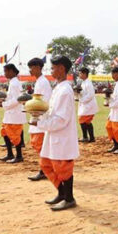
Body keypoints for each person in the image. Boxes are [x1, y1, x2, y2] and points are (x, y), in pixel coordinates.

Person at [30, 55, 78, 211]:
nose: (51, 70)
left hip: (62, 135)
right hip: (53, 134)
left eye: (53, 67)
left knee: (63, 168)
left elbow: (61, 119)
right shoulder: (58, 87)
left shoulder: (65, 90)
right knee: (46, 165)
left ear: (62, 68)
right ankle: (62, 193)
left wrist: (41, 123)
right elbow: (51, 112)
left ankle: (69, 198)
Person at [26, 57, 53, 182]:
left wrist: (36, 114)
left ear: (38, 67)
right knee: (38, 145)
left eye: (31, 68)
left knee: (40, 145)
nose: (30, 71)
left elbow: (45, 102)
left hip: (40, 117)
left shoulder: (43, 82)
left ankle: (45, 170)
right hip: (37, 116)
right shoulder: (39, 82)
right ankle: (45, 169)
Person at [0, 63, 26, 163]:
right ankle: (10, 154)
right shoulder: (13, 82)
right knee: (5, 131)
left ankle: (19, 156)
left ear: (12, 71)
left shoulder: (15, 83)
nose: (4, 73)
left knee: (14, 135)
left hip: (15, 113)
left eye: (6, 71)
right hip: (11, 113)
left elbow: (17, 100)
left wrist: (4, 104)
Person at [76, 67, 97, 144]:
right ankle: (91, 138)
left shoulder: (88, 83)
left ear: (85, 74)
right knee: (87, 121)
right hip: (85, 105)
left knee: (82, 120)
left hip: (88, 105)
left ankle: (85, 137)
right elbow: (84, 93)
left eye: (80, 73)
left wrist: (82, 100)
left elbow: (91, 95)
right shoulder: (83, 82)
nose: (79, 74)